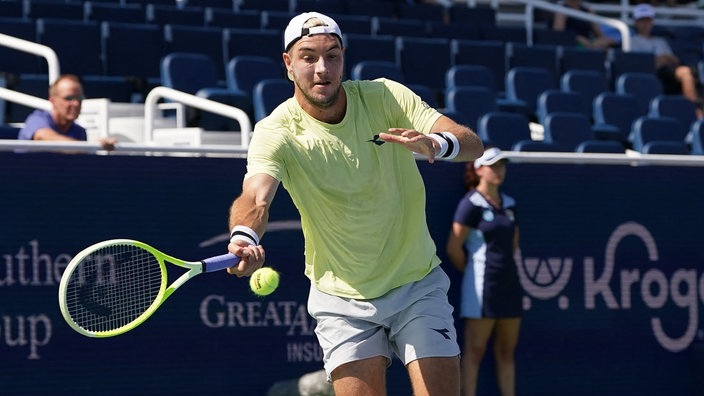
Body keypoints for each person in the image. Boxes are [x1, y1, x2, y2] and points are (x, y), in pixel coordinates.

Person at [225, 11, 484, 396]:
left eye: (332, 55)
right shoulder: (275, 131)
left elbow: (470, 142)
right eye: (308, 56)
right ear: (288, 63)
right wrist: (244, 235)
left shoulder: (384, 96)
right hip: (341, 299)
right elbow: (256, 197)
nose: (322, 68)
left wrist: (437, 144)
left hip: (416, 282)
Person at [445, 148, 522, 396]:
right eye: (493, 165)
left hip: (510, 286)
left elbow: (513, 245)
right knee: (475, 351)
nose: (498, 170)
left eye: (502, 165)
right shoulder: (470, 204)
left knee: (506, 352)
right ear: (479, 170)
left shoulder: (510, 204)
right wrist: (474, 272)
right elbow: (454, 247)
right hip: (481, 289)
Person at [630, 3, 703, 118]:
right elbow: (640, 61)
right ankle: (694, 110)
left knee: (689, 73)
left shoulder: (660, 41)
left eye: (647, 20)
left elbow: (674, 59)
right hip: (652, 72)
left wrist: (663, 59)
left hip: (668, 71)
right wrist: (659, 59)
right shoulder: (631, 41)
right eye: (642, 20)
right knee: (685, 73)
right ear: (635, 22)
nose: (645, 24)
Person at [18, 74, 117, 150]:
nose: (76, 103)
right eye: (69, 98)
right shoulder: (36, 120)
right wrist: (92, 146)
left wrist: (101, 146)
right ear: (53, 101)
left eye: (79, 98)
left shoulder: (80, 132)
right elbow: (47, 138)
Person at [551, 0, 617, 49]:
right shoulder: (561, 10)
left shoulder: (587, 10)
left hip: (589, 43)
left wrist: (604, 41)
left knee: (608, 41)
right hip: (571, 45)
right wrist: (578, 38)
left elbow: (599, 33)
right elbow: (559, 35)